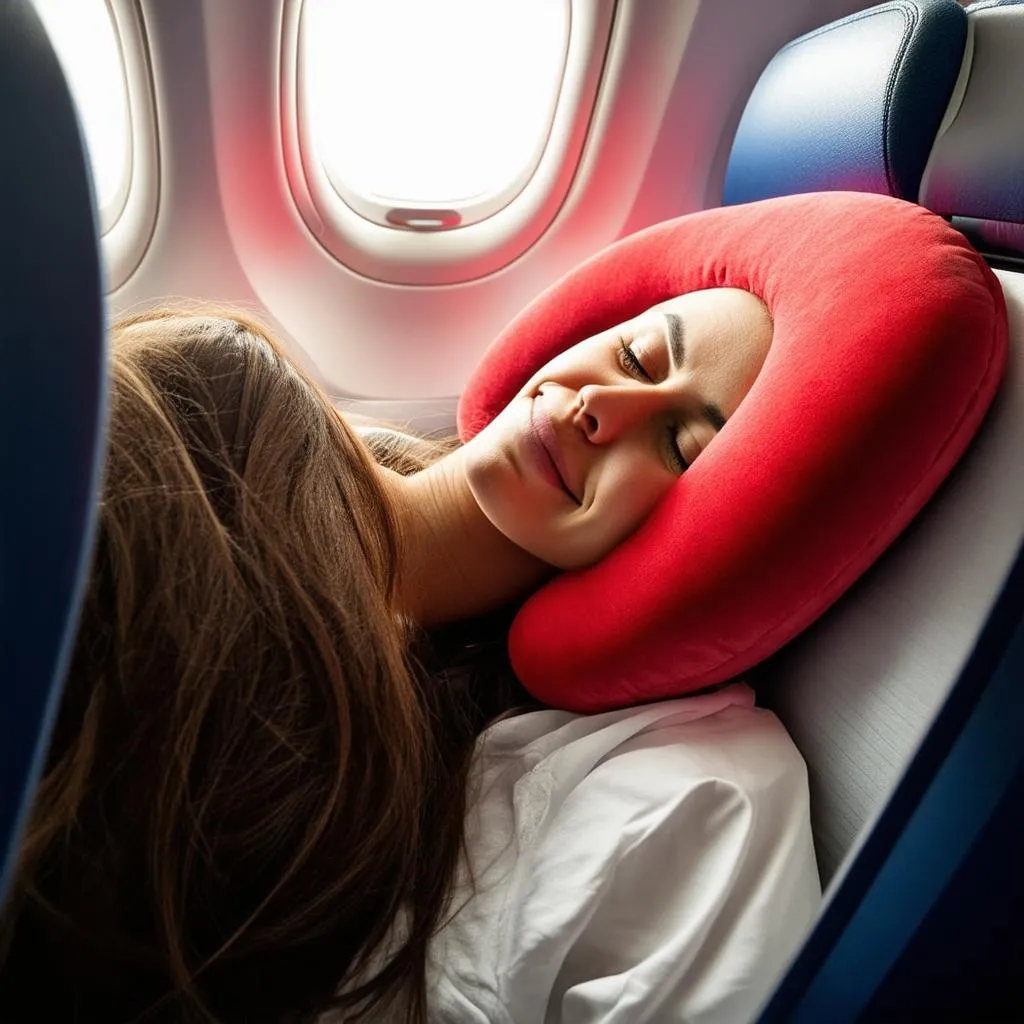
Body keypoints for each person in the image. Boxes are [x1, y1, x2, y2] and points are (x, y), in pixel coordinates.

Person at [0, 286, 791, 1024]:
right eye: (636, 358)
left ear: (697, 540)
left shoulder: (426, 753)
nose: (603, 410)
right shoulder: (216, 384)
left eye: (679, 447)